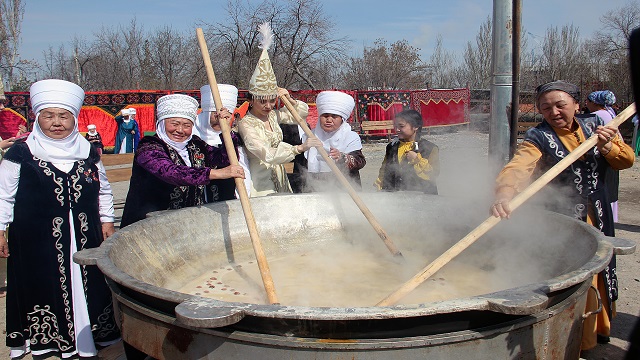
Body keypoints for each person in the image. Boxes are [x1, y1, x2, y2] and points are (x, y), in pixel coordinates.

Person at [490, 80, 635, 352]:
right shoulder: (538, 137)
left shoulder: (598, 127)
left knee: (602, 269)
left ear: (576, 104)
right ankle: (578, 338)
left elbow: (625, 161)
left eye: (560, 105)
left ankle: (599, 329)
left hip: (599, 212)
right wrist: (505, 193)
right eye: (546, 108)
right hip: (563, 217)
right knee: (578, 273)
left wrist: (607, 147)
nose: (553, 112)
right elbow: (519, 166)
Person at [0, 79, 121, 358]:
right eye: (49, 115)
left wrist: (107, 220)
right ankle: (50, 339)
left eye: (64, 116)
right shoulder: (21, 152)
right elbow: (4, 194)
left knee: (89, 283)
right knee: (43, 285)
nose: (57, 122)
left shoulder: (88, 152)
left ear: (74, 118)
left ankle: (90, 336)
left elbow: (102, 188)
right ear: (37, 118)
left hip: (85, 234)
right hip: (37, 240)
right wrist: (1, 229)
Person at [120, 93, 245, 227]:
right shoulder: (149, 147)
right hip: (149, 224)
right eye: (174, 124)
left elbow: (224, 160)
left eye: (186, 125)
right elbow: (170, 172)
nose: (180, 130)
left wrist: (225, 129)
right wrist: (216, 174)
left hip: (186, 223)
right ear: (162, 123)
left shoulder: (195, 145)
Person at [236, 22, 320, 197]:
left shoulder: (273, 116)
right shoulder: (245, 123)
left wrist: (288, 98)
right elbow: (265, 153)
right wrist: (299, 148)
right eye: (263, 101)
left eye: (272, 100)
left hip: (280, 175)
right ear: (250, 101)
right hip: (260, 180)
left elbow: (300, 114)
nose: (268, 106)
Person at [297, 91, 366, 192]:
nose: (329, 120)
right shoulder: (309, 136)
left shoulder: (350, 137)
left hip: (345, 189)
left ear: (342, 119)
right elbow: (300, 167)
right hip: (315, 188)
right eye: (325, 116)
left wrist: (342, 157)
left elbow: (360, 161)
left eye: (334, 116)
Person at [194, 84, 251, 199]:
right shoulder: (192, 138)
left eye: (227, 116)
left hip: (225, 199)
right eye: (216, 115)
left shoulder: (232, 138)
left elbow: (241, 169)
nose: (221, 120)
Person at [375, 109, 440, 194]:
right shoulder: (391, 147)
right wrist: (380, 186)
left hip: (423, 198)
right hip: (394, 197)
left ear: (415, 126)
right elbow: (384, 170)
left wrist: (417, 160)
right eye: (396, 126)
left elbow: (433, 174)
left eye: (401, 126)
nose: (397, 129)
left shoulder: (429, 148)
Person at [586, 90, 620, 222]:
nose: (586, 103)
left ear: (595, 102)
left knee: (604, 191)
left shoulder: (597, 116)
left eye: (588, 101)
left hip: (603, 156)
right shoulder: (610, 113)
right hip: (611, 157)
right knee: (610, 191)